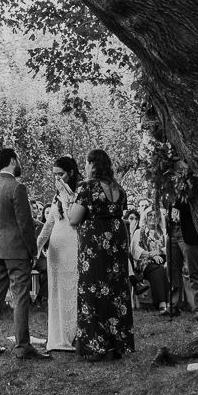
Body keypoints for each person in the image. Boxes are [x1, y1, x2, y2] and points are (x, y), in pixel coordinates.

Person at [0, 148, 47, 360]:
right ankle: (22, 346)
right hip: (16, 249)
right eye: (17, 159)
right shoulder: (17, 187)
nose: (19, 163)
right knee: (20, 297)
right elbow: (25, 224)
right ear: (12, 160)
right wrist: (33, 250)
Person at [70, 148, 135, 361]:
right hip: (116, 238)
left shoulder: (87, 188)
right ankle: (118, 343)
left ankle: (96, 346)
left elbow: (74, 218)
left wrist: (67, 202)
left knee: (93, 289)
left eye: (87, 163)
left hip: (95, 242)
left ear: (93, 164)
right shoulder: (119, 189)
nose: (85, 167)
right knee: (116, 290)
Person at [38, 155, 81, 352]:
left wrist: (66, 194)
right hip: (55, 248)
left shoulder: (79, 192)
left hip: (72, 244)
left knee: (72, 288)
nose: (58, 179)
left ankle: (74, 333)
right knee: (56, 291)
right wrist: (37, 246)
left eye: (61, 174)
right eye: (55, 175)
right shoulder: (56, 196)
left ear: (71, 173)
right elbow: (49, 223)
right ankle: (58, 335)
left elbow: (73, 217)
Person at [128, 208, 173, 313]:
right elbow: (135, 250)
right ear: (145, 217)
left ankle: (167, 303)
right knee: (157, 269)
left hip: (162, 260)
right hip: (144, 264)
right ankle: (163, 303)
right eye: (150, 215)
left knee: (162, 268)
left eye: (155, 215)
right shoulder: (139, 232)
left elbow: (168, 248)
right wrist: (151, 255)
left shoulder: (163, 232)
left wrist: (158, 252)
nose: (153, 217)